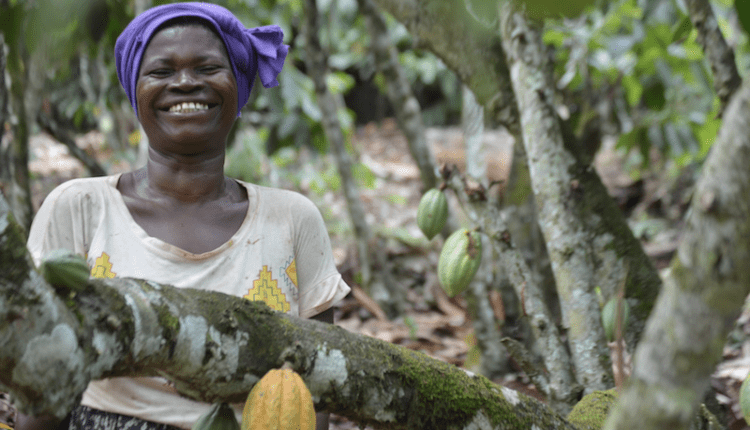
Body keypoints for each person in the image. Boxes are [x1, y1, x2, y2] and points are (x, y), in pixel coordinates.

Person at [20, 3, 350, 430]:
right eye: (160, 72)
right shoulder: (80, 207)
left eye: (208, 67)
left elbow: (315, 395)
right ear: (135, 91)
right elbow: (39, 381)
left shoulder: (293, 219)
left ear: (238, 87)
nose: (186, 83)